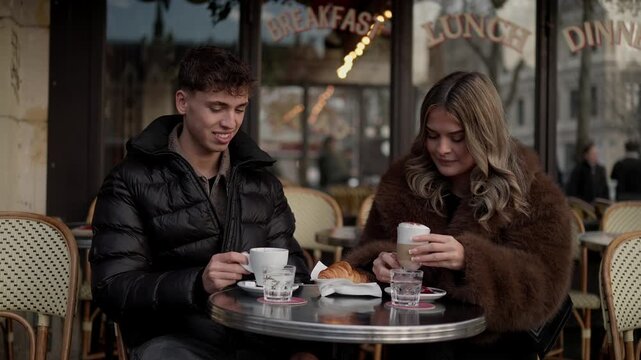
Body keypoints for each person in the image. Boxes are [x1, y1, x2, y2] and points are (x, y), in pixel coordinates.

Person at [90, 46, 322, 360]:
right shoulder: (129, 179)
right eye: (217, 107)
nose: (230, 122)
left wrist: (283, 280)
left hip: (258, 337)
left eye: (239, 109)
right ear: (182, 102)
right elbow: (112, 288)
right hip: (174, 339)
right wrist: (197, 283)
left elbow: (295, 271)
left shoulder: (262, 182)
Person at [344, 71, 573, 359]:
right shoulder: (402, 183)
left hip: (494, 350)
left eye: (457, 137)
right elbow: (362, 262)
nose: (442, 149)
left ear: (485, 135)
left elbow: (544, 289)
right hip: (416, 346)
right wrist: (376, 266)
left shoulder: (532, 193)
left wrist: (470, 259)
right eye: (432, 135)